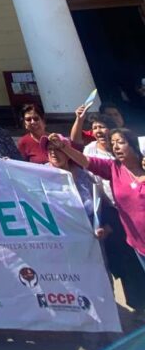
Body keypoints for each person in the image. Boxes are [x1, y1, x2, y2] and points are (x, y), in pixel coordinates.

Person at [50, 130, 145, 308]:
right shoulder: (113, 169)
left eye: (121, 142)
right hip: (139, 245)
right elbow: (86, 161)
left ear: (133, 146)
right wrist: (64, 147)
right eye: (113, 143)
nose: (116, 147)